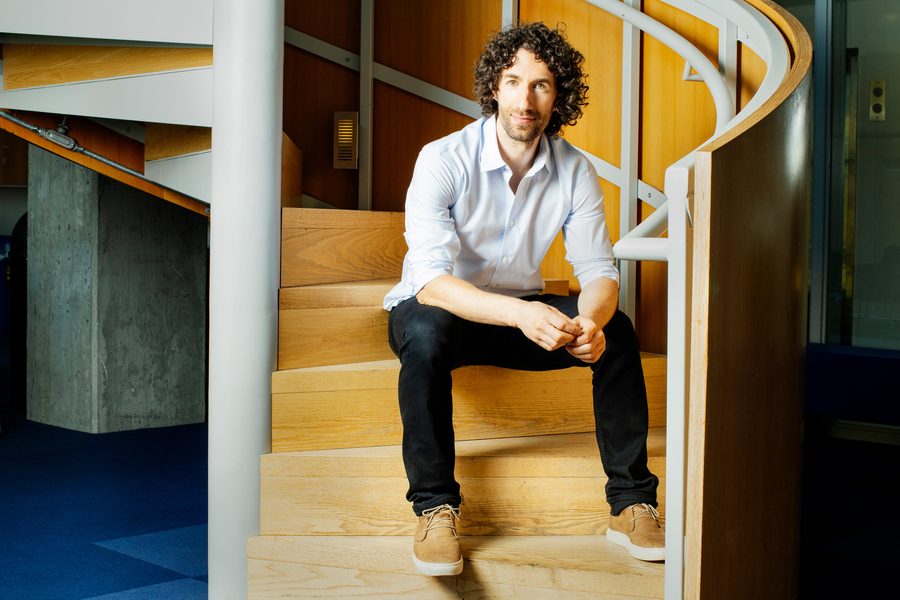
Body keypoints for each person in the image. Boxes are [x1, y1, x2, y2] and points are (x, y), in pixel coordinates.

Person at [383, 22, 664, 577]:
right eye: (513, 82)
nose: (525, 99)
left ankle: (631, 502)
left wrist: (591, 320)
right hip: (446, 311)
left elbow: (598, 270)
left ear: (559, 95)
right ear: (494, 87)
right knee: (424, 332)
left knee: (620, 332)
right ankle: (435, 507)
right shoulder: (442, 158)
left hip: (523, 316)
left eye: (541, 85)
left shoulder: (575, 168)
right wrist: (520, 313)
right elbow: (432, 281)